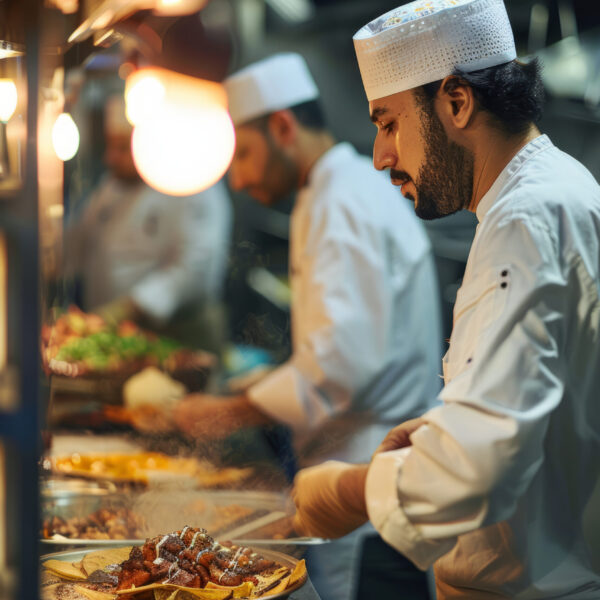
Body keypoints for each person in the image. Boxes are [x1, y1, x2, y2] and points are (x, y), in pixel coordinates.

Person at [291, 0, 600, 598]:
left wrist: (347, 491)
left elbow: (477, 470)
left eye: (388, 124)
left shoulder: (527, 216)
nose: (381, 157)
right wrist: (447, 426)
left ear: (456, 102)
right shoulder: (549, 192)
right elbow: (539, 413)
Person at [172, 53, 443, 600]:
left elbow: (340, 365)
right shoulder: (326, 193)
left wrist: (226, 413)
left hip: (368, 487)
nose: (240, 178)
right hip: (350, 472)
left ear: (282, 126)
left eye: (244, 155)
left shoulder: (343, 200)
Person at [65, 95, 233, 357]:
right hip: (117, 333)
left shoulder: (192, 180)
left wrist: (129, 308)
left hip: (178, 334)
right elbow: (79, 242)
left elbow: (194, 269)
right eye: (110, 147)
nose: (110, 158)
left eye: (122, 148)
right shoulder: (111, 187)